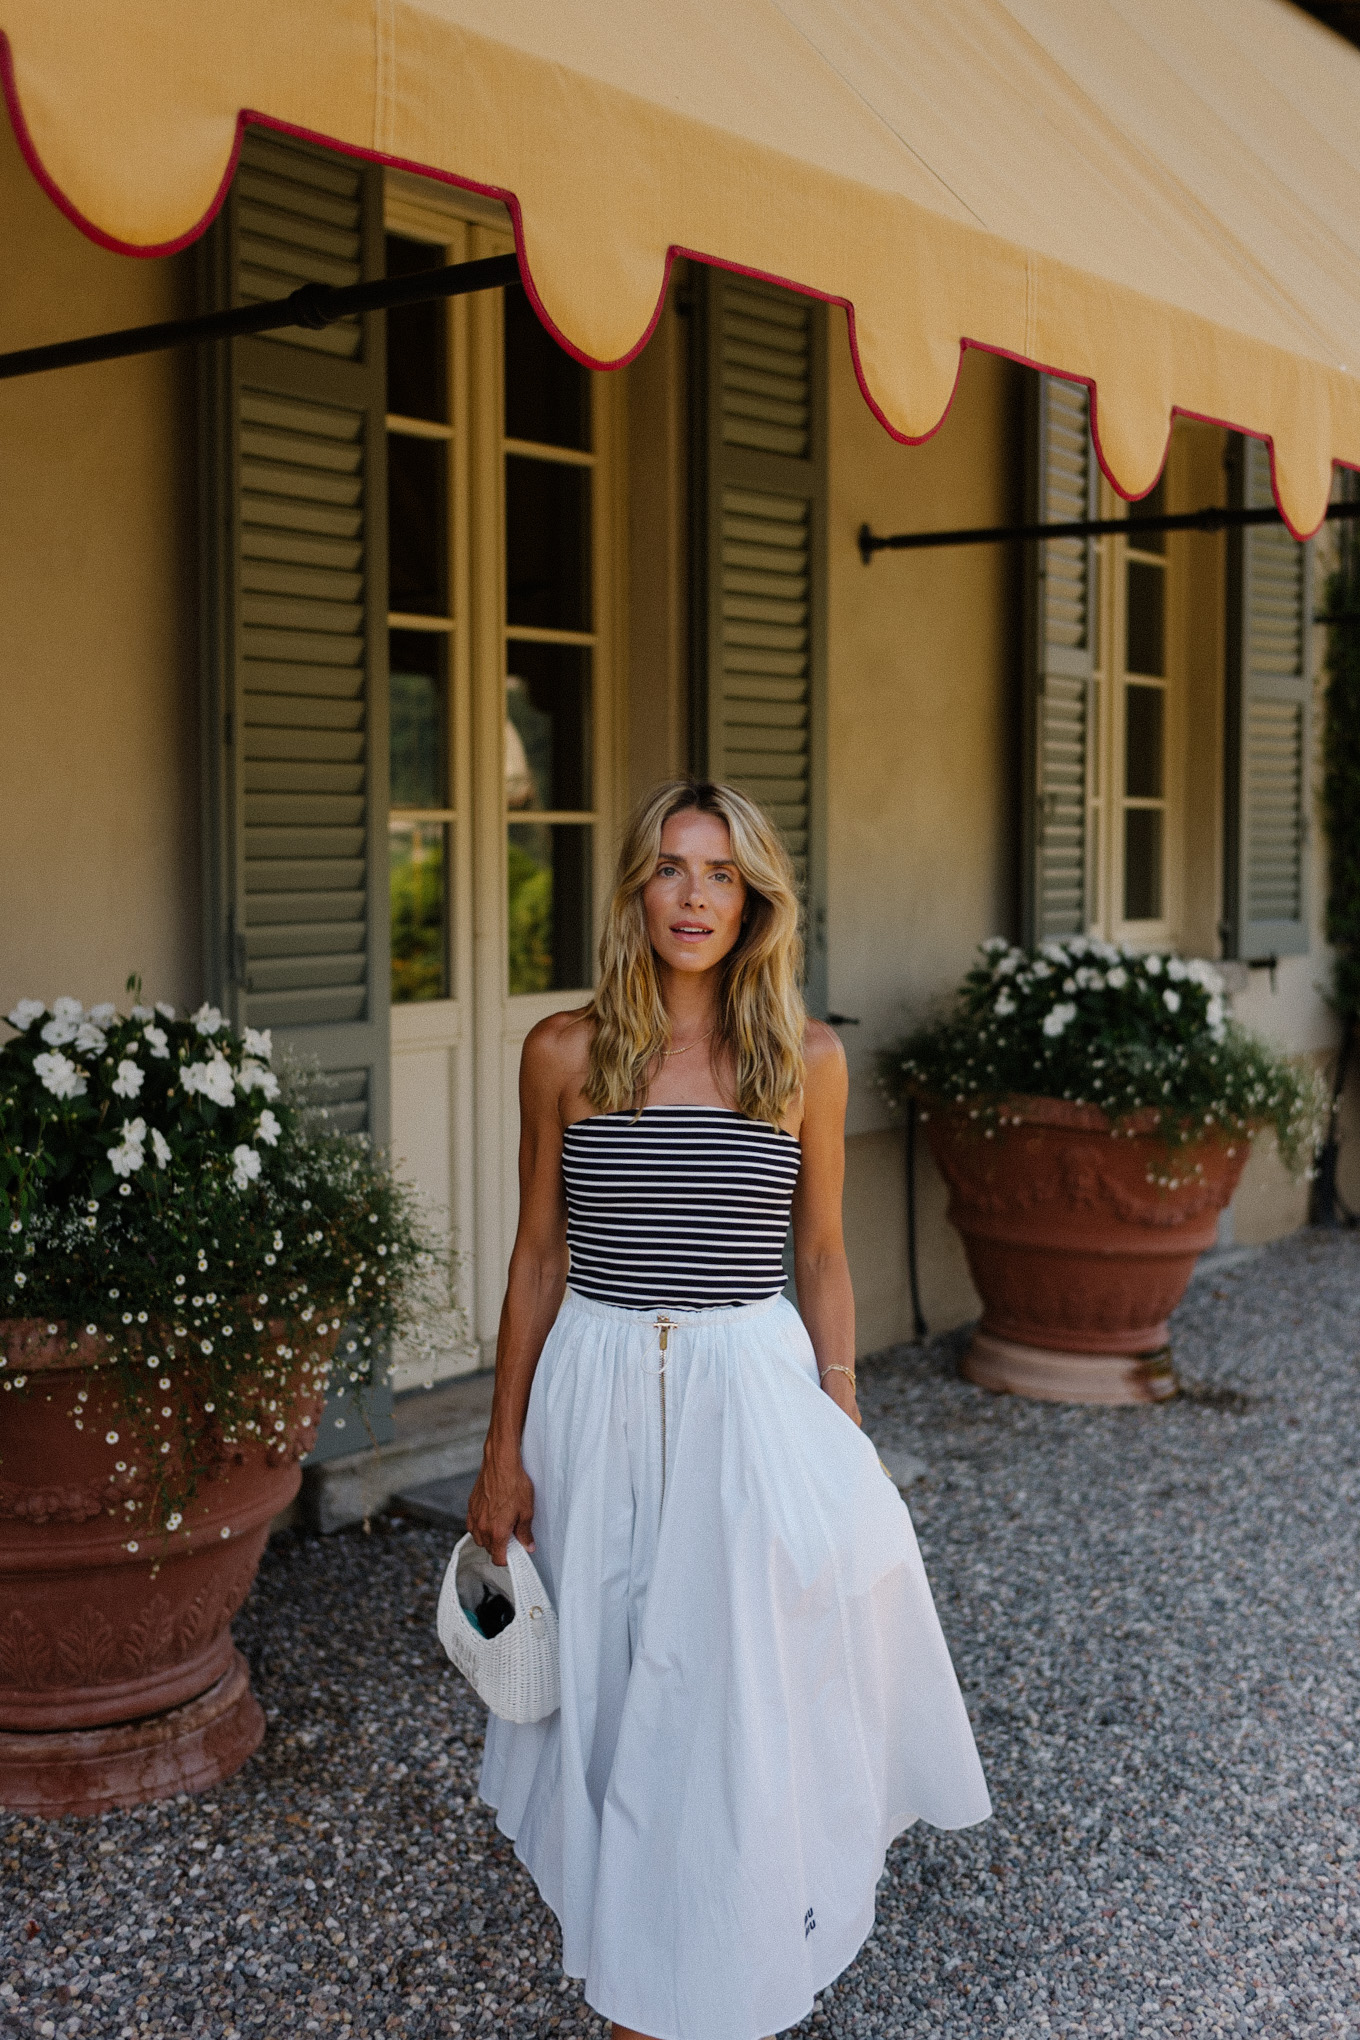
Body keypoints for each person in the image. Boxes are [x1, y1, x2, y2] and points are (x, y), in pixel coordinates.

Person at [468, 778, 991, 2040]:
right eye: (669, 868)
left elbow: (820, 1255)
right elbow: (538, 1255)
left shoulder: (803, 1056)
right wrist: (499, 1449)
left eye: (719, 874)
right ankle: (638, 1969)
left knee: (731, 1689)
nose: (693, 896)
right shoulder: (563, 1051)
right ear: (636, 890)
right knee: (604, 1683)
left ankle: (724, 1960)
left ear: (754, 898)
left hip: (748, 1393)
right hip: (590, 1393)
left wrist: (841, 1415)